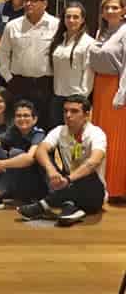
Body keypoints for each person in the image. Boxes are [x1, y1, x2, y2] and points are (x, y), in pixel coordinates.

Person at [18, 95, 107, 226]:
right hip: (66, 185)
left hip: (92, 192)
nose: (68, 115)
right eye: (65, 111)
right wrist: (51, 171)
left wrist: (69, 179)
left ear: (87, 115)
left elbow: (94, 161)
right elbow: (41, 150)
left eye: (74, 111)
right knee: (39, 158)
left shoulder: (96, 133)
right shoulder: (59, 130)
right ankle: (70, 208)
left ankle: (43, 205)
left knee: (87, 172)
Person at [0, 100, 48, 212]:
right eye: (18, 116)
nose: (22, 119)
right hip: (14, 180)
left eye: (26, 116)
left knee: (16, 153)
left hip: (34, 185)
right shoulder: (14, 131)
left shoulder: (39, 134)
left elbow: (29, 159)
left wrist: (0, 164)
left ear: (34, 119)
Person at [0, 0, 58, 130]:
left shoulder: (56, 25)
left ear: (45, 4)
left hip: (45, 83)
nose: (29, 4)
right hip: (19, 82)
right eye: (26, 0)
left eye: (33, 1)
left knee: (44, 122)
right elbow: (3, 52)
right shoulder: (13, 25)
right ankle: (18, 151)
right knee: (19, 122)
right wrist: (8, 77)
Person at [86, 0, 126, 201]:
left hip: (116, 87)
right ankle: (102, 184)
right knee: (100, 136)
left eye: (115, 7)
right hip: (100, 87)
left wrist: (123, 91)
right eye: (106, 8)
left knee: (117, 138)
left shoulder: (125, 31)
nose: (110, 11)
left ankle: (118, 187)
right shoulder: (102, 31)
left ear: (124, 10)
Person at [49, 1, 95, 128]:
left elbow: (88, 72)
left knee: (75, 140)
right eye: (68, 16)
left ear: (83, 20)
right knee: (58, 136)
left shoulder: (89, 43)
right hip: (57, 96)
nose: (71, 20)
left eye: (75, 17)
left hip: (76, 98)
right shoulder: (59, 40)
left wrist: (81, 100)